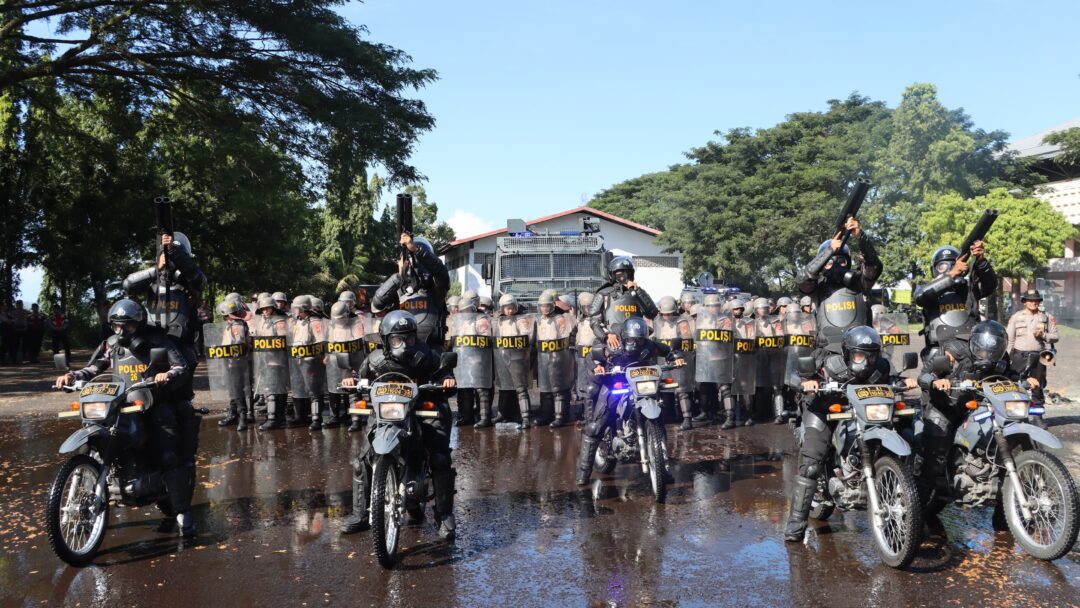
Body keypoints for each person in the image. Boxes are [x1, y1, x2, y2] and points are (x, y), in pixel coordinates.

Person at [54, 299, 197, 537]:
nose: (121, 331)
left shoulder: (158, 341)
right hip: (120, 404)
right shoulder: (111, 345)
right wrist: (73, 376)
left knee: (170, 454)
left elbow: (180, 367)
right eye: (116, 326)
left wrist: (166, 375)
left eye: (127, 326)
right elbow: (94, 367)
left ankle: (183, 513)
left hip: (154, 403)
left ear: (139, 323)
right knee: (95, 446)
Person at [783, 326, 917, 541]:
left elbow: (892, 380)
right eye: (859, 355)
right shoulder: (829, 362)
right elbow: (794, 376)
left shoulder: (881, 366)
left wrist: (903, 382)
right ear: (847, 353)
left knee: (908, 429)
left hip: (864, 411)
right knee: (811, 464)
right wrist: (807, 382)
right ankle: (795, 526)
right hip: (825, 408)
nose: (866, 361)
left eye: (871, 355)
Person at [340, 310, 459, 540]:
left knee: (440, 457)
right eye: (397, 339)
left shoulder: (427, 354)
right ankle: (361, 514)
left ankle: (444, 515)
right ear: (386, 340)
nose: (404, 344)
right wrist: (351, 379)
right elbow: (359, 377)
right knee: (362, 460)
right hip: (386, 413)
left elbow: (444, 372)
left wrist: (447, 379)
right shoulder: (375, 360)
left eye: (409, 338)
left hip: (422, 410)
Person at [916, 321, 1040, 496]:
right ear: (974, 342)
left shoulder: (1001, 358)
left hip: (977, 404)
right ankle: (924, 491)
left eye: (994, 349)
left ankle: (1002, 498)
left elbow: (1009, 375)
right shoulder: (954, 351)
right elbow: (923, 376)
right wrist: (937, 381)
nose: (987, 353)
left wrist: (1024, 380)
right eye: (983, 348)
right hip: (947, 404)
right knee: (937, 448)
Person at [576, 317, 684, 485]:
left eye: (639, 339)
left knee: (659, 423)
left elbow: (669, 351)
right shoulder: (614, 346)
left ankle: (662, 469)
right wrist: (597, 366)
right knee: (596, 426)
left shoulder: (650, 345)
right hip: (615, 384)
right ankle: (583, 473)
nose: (636, 343)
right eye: (632, 339)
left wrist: (676, 357)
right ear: (625, 337)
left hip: (641, 385)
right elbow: (592, 356)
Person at [123, 231, 206, 398]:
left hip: (180, 344)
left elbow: (198, 278)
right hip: (152, 342)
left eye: (175, 256)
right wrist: (157, 269)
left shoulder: (189, 281)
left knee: (181, 399)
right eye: (166, 254)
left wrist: (173, 251)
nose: (169, 260)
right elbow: (128, 285)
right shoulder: (151, 279)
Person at [913, 241, 995, 359]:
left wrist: (981, 262)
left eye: (953, 264)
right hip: (939, 352)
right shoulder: (926, 289)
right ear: (934, 268)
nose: (948, 268)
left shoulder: (969, 288)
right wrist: (951, 274)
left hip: (972, 349)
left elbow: (990, 286)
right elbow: (920, 297)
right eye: (942, 266)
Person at [373, 233, 451, 347]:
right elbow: (377, 303)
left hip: (431, 349)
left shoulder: (435, 287)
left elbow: (441, 271)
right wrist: (399, 277)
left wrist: (415, 249)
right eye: (404, 260)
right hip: (400, 348)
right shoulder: (398, 286)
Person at [1007, 289, 1058, 428]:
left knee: (1038, 386)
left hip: (1039, 356)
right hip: (1019, 355)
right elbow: (1010, 340)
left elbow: (1055, 337)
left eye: (1036, 300)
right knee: (1015, 385)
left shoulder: (1047, 317)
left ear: (1039, 302)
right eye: (1030, 300)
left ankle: (1037, 417)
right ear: (1025, 302)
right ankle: (1015, 416)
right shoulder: (1016, 317)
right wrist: (1007, 357)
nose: (1033, 302)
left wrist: (1044, 335)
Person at [588, 256, 659, 350]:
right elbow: (594, 321)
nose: (624, 276)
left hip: (637, 342)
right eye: (620, 274)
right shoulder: (604, 294)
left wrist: (638, 291)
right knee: (596, 355)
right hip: (614, 343)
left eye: (627, 273)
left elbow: (652, 313)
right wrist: (606, 336)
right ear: (613, 275)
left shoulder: (637, 293)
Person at [451, 290, 494, 428]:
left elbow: (487, 340)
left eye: (467, 310)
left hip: (478, 359)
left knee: (481, 389)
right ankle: (466, 416)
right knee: (464, 388)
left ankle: (485, 418)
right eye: (463, 311)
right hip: (463, 360)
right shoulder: (459, 322)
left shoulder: (481, 319)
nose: (465, 313)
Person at [654, 296, 696, 430]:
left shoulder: (681, 321)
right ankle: (669, 415)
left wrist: (680, 356)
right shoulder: (657, 322)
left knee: (681, 389)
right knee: (666, 388)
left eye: (670, 313)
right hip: (662, 359)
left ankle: (687, 418)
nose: (667, 316)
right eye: (665, 314)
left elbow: (687, 343)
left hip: (678, 359)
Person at [535, 289, 575, 428]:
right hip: (543, 358)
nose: (544, 309)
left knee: (559, 388)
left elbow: (568, 333)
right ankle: (546, 415)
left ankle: (560, 416)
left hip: (559, 358)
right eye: (542, 306)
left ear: (552, 306)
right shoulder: (538, 320)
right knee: (545, 388)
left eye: (547, 306)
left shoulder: (561, 319)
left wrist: (569, 314)